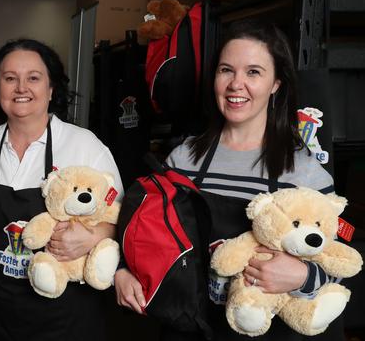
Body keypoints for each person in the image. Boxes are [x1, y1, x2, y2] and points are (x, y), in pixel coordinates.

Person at [114, 20, 343, 340]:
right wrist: (123, 271)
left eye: (253, 72)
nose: (236, 84)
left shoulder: (304, 173)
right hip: (188, 331)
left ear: (276, 83)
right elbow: (142, 236)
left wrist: (302, 276)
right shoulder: (183, 159)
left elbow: (340, 272)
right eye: (226, 70)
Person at [0, 38, 124, 340]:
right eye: (10, 79)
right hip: (0, 316)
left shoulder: (85, 146)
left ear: (51, 89)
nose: (21, 88)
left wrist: (96, 234)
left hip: (70, 319)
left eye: (33, 78)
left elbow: (125, 219)